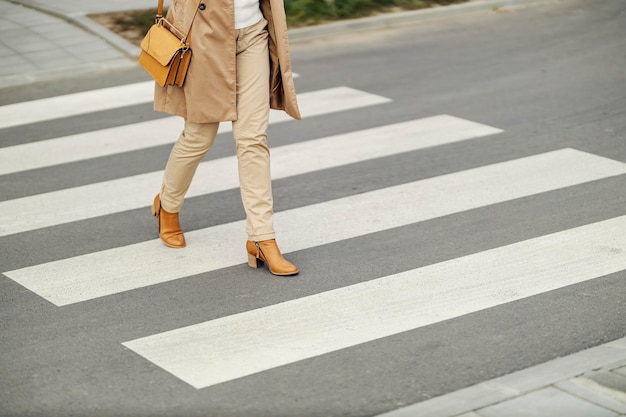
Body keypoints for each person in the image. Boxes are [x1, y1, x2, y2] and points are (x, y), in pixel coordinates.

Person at [150, 0, 301, 276]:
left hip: (253, 33)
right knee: (199, 135)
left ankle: (262, 237)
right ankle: (168, 205)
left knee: (253, 138)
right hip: (204, 35)